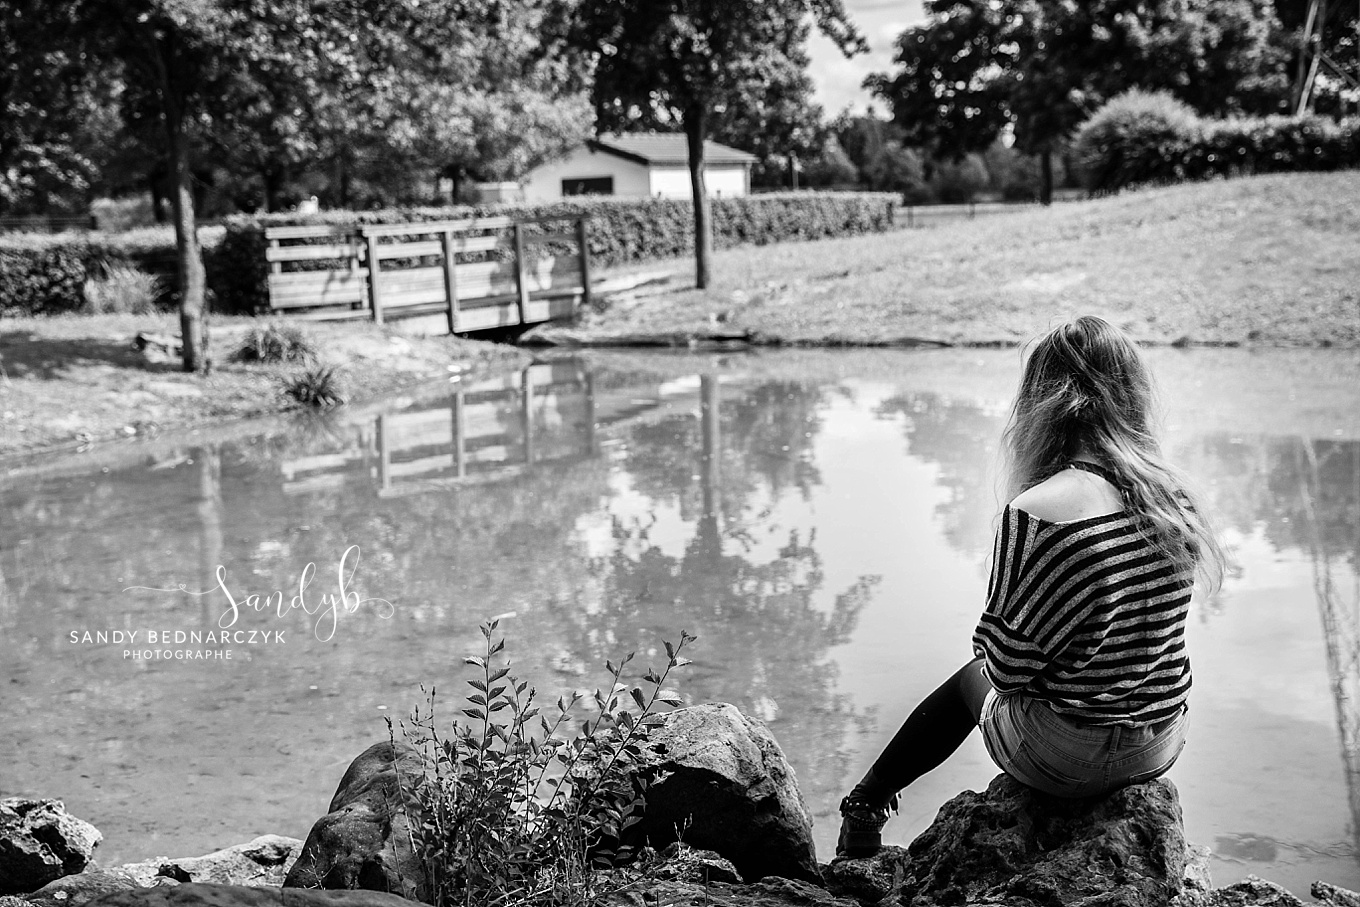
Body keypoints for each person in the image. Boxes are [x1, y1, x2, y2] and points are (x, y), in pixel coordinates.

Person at [836, 315, 1228, 859]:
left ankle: (865, 806)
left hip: (1066, 757)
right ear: (1132, 395)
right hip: (1158, 744)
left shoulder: (1038, 511)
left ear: (1043, 402)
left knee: (971, 678)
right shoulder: (1174, 499)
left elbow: (1006, 668)